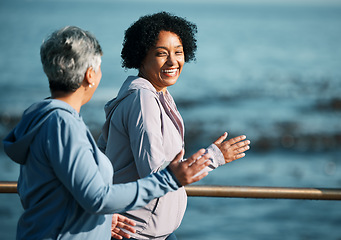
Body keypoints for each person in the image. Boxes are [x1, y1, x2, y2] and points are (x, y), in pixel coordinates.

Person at [2, 26, 214, 240]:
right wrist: (168, 180)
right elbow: (98, 198)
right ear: (90, 75)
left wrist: (103, 217)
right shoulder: (62, 125)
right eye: (100, 67)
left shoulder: (45, 118)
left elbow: (52, 188)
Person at [98, 12, 250, 240]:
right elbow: (156, 174)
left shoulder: (160, 94)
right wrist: (215, 157)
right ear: (141, 56)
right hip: (136, 233)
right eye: (161, 53)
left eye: (178, 52)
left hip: (156, 232)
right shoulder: (143, 99)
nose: (173, 61)